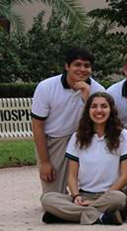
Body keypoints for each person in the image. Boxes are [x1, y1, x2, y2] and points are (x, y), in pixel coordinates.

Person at [40, 92, 127, 225]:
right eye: (94, 106)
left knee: (119, 199)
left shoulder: (124, 136)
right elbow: (71, 175)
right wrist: (76, 196)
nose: (99, 110)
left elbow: (126, 175)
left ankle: (67, 215)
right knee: (47, 198)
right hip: (84, 195)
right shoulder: (77, 137)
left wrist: (102, 198)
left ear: (111, 110)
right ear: (88, 110)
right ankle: (101, 217)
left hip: (110, 195)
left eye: (104, 106)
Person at [32, 47, 106, 194]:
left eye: (87, 66)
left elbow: (101, 124)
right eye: (77, 64)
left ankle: (86, 199)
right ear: (67, 66)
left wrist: (87, 98)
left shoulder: (98, 90)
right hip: (55, 140)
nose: (82, 69)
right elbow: (38, 126)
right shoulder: (46, 87)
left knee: (93, 190)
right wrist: (45, 163)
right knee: (52, 196)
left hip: (85, 139)